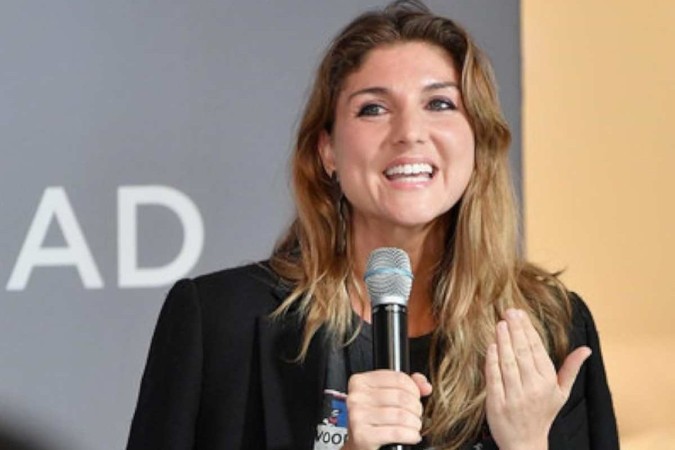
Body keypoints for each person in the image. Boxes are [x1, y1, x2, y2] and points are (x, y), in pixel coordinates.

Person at [126, 1, 619, 449]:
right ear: (327, 151)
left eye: (440, 104)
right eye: (374, 109)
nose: (409, 133)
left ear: (479, 140)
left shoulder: (551, 327)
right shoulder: (217, 322)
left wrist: (527, 444)